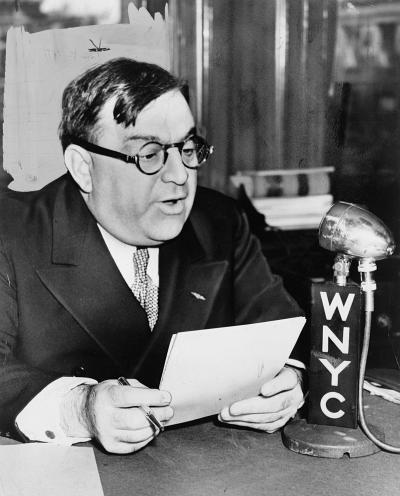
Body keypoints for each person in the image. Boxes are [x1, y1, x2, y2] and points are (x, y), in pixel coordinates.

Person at [0, 58, 305, 454]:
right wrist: (80, 409)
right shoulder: (12, 234)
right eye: (150, 153)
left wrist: (289, 383)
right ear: (83, 168)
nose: (180, 174)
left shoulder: (220, 223)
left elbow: (285, 329)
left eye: (188, 148)